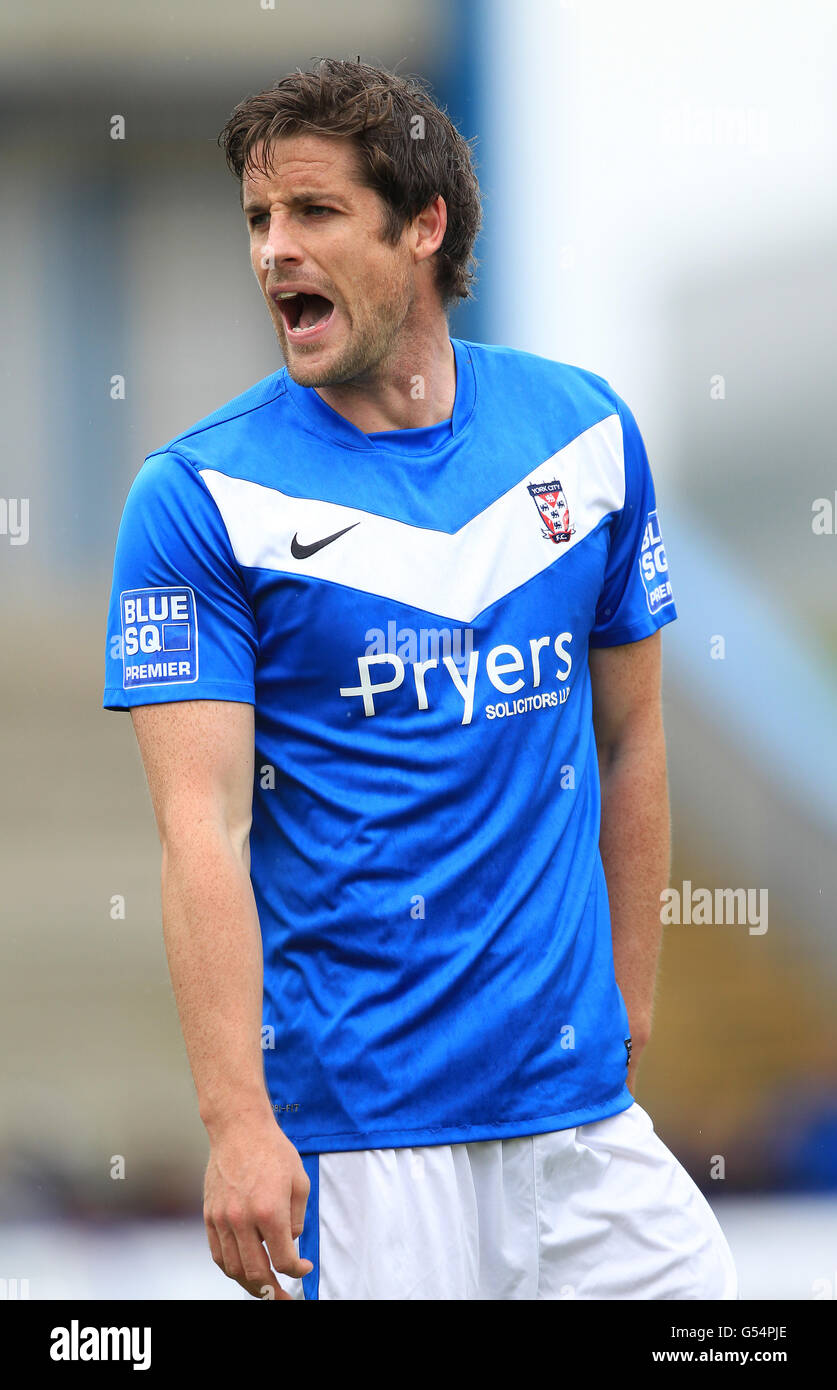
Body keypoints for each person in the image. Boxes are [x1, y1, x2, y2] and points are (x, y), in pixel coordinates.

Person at [102, 57, 738, 1301]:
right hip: (364, 1141)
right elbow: (203, 827)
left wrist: (628, 1003)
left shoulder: (585, 437)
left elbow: (633, 735)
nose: (275, 250)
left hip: (580, 1126)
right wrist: (238, 1119)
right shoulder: (196, 500)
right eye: (257, 220)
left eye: (315, 213)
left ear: (425, 225)